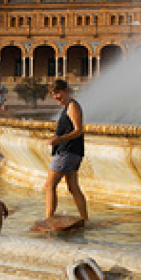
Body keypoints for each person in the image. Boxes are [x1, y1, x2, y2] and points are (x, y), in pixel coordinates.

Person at [46, 79, 88, 224]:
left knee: (49, 186)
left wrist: (60, 139)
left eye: (58, 93)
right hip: (72, 151)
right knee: (73, 187)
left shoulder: (72, 106)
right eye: (53, 94)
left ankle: (49, 219)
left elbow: (78, 130)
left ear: (66, 91)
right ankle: (84, 219)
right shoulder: (68, 107)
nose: (56, 96)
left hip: (68, 151)